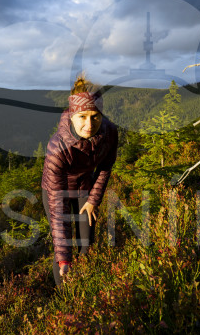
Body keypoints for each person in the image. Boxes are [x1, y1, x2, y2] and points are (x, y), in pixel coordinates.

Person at [41, 75, 118, 285]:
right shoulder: (57, 148)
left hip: (85, 186)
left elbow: (105, 168)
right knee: (62, 251)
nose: (89, 124)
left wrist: (93, 200)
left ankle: (84, 290)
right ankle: (64, 299)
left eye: (95, 116)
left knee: (86, 242)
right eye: (82, 116)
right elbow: (58, 212)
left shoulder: (110, 132)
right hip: (56, 191)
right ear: (72, 115)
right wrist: (65, 260)